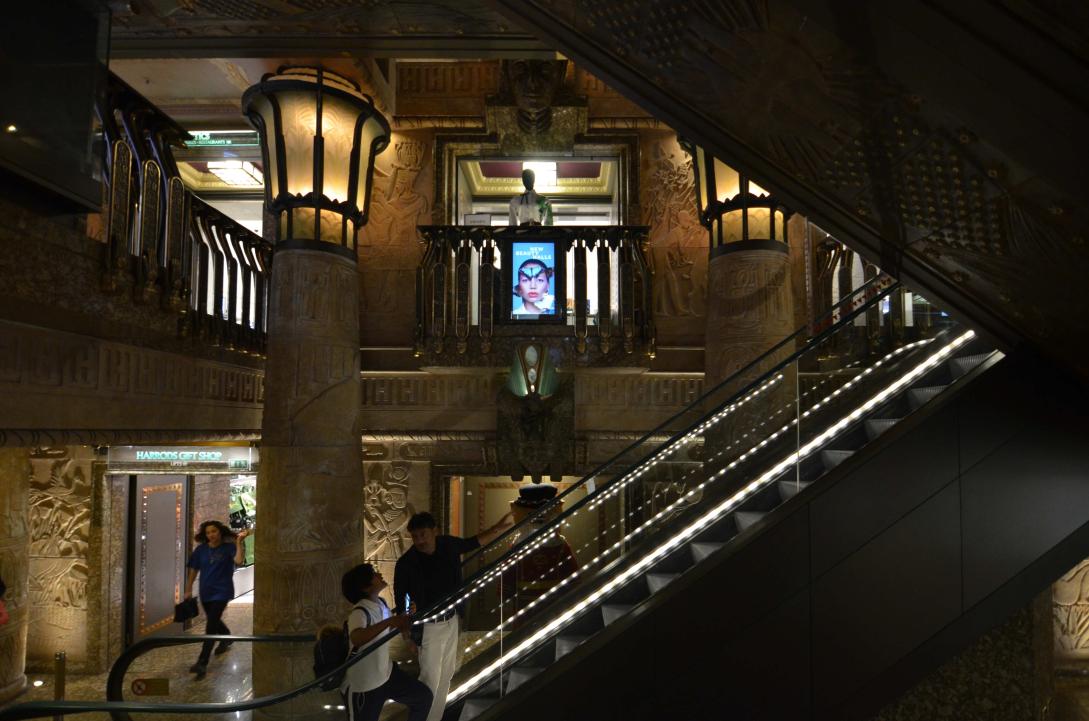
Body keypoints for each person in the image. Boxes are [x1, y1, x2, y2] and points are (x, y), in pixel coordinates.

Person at [394, 511, 515, 721]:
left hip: (450, 619)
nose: (419, 541)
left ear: (434, 531)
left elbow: (473, 543)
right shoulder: (407, 563)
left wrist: (498, 528)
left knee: (446, 675)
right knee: (430, 679)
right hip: (428, 626)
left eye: (423, 534)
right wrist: (407, 635)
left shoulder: (447, 545)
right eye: (415, 537)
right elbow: (400, 599)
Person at [340, 564, 432, 721]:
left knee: (423, 697)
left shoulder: (380, 602)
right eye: (374, 574)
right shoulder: (359, 612)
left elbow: (388, 627)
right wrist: (391, 621)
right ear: (366, 587)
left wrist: (405, 619)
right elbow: (357, 637)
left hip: (387, 674)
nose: (379, 574)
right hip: (365, 685)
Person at [184, 520, 248, 679]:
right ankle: (226, 636)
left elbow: (239, 561)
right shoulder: (201, 550)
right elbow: (194, 569)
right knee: (214, 620)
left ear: (220, 532)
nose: (211, 535)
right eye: (208, 533)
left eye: (214, 531)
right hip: (206, 591)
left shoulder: (228, 548)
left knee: (211, 625)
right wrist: (188, 588)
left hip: (223, 591)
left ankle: (202, 662)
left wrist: (239, 541)